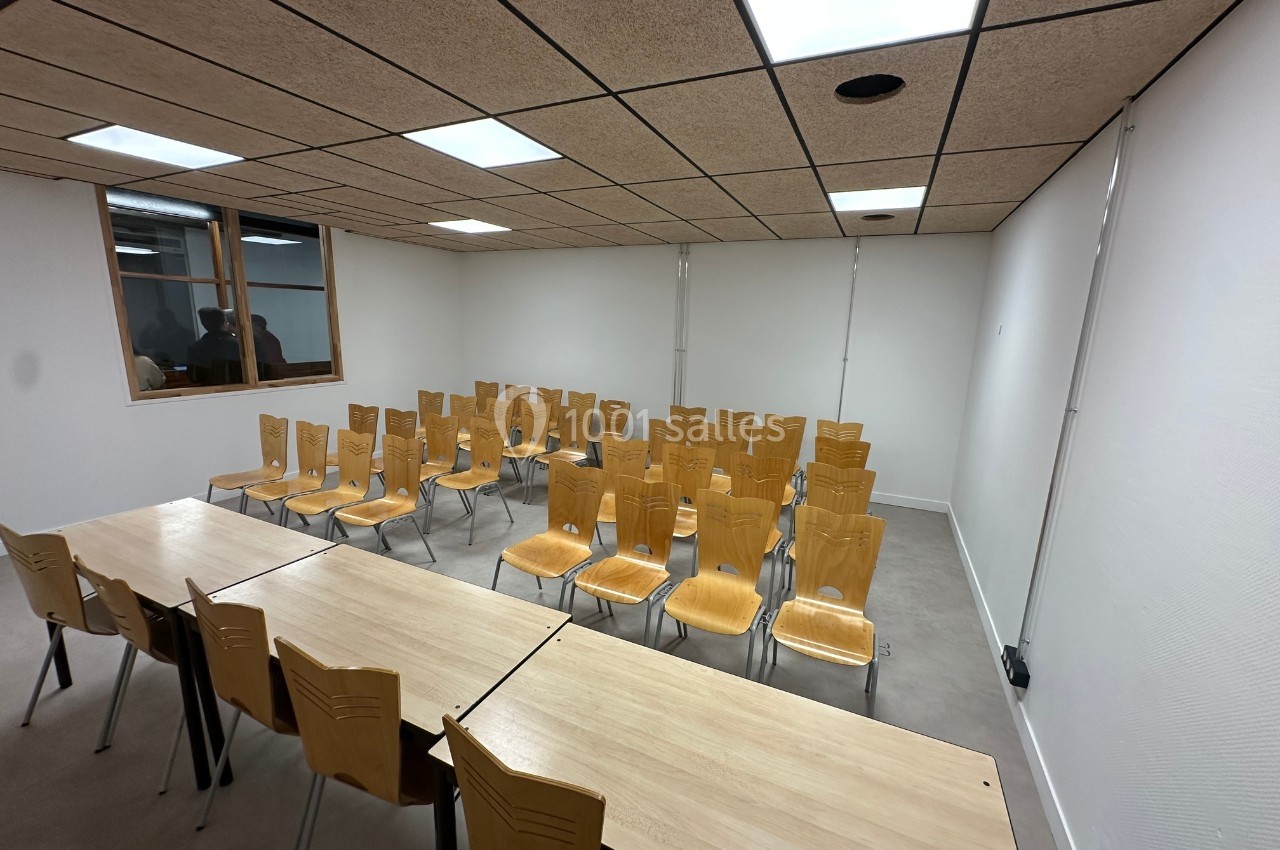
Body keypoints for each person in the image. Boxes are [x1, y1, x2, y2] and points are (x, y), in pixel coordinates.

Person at [187, 306, 242, 385]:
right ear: (224, 323)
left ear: (204, 324)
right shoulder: (238, 344)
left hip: (207, 392)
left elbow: (194, 376)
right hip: (240, 390)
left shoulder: (195, 347)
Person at [250, 313, 286, 379]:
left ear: (254, 325)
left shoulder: (258, 338)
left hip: (268, 372)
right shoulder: (270, 336)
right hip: (275, 370)